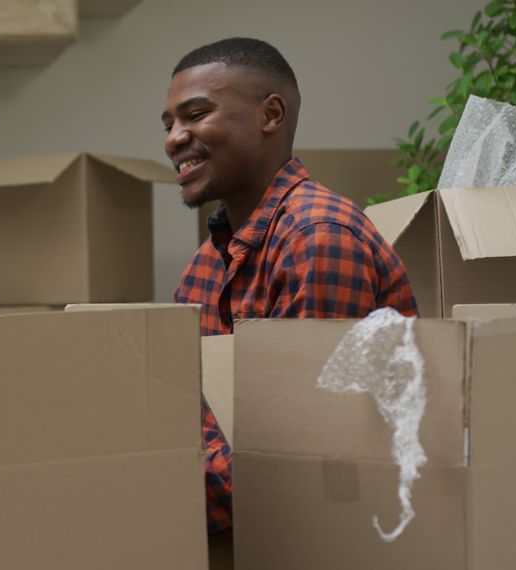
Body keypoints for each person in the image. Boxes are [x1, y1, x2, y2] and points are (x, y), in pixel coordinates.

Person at [160, 38, 418, 547]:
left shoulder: (318, 238)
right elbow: (176, 405)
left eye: (195, 115)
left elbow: (297, 458)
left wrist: (148, 485)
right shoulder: (205, 265)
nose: (174, 138)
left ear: (270, 114)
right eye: (168, 124)